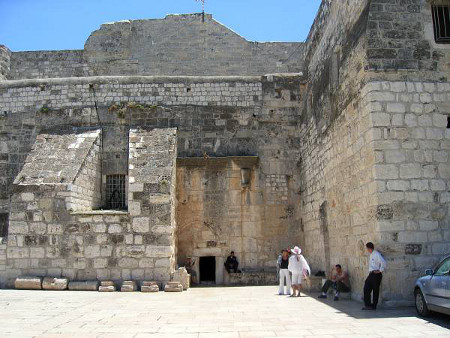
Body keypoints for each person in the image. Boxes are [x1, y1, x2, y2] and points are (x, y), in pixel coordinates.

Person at [363, 242, 386, 310]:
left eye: (367, 248)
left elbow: (383, 262)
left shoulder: (376, 254)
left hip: (376, 274)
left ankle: (374, 306)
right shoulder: (371, 255)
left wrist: (380, 270)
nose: (367, 250)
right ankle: (368, 305)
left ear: (369, 248)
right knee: (366, 288)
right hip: (371, 274)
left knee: (375, 290)